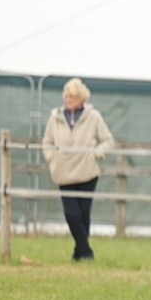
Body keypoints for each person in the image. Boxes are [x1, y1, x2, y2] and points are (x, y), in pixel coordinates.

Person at [41, 78, 114, 261]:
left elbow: (107, 140)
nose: (67, 100)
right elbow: (47, 141)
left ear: (81, 98)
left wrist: (96, 154)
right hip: (64, 172)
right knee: (71, 213)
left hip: (87, 173)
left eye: (71, 96)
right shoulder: (55, 117)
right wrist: (52, 158)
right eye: (65, 96)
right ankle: (86, 251)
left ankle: (78, 252)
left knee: (83, 215)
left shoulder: (94, 117)